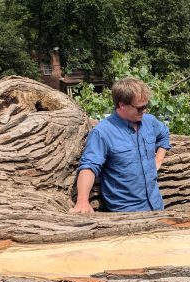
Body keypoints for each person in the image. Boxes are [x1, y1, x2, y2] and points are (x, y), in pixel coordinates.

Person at [70, 77, 171, 213]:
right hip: (126, 213)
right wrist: (82, 202)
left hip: (157, 207)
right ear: (122, 105)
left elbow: (164, 133)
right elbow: (89, 166)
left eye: (146, 106)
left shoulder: (150, 122)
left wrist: (158, 159)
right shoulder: (102, 132)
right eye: (140, 108)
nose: (144, 111)